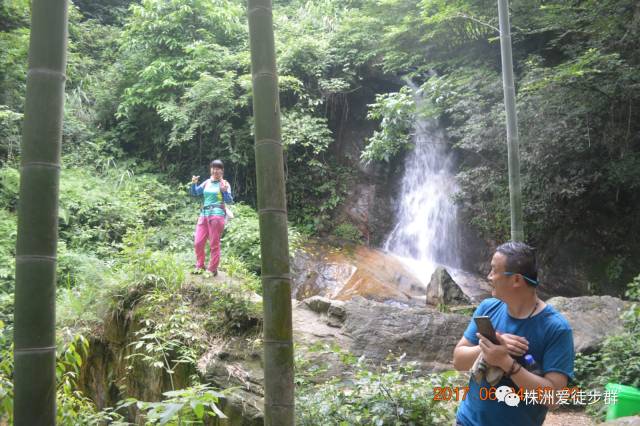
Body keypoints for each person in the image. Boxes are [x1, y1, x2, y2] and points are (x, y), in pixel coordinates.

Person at [453, 241, 574, 426]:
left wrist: (505, 362)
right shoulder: (488, 308)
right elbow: (459, 361)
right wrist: (487, 349)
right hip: (466, 421)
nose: (489, 276)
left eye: (494, 270)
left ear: (516, 280)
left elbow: (554, 399)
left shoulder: (556, 328)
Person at [190, 159, 233, 276]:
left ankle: (212, 269)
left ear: (222, 171)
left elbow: (230, 200)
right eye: (213, 168)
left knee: (214, 243)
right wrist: (194, 183)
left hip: (217, 214)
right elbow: (195, 193)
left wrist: (224, 191)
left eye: (218, 168)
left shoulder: (225, 183)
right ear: (211, 169)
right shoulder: (207, 182)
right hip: (204, 215)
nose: (215, 170)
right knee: (198, 242)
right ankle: (200, 265)